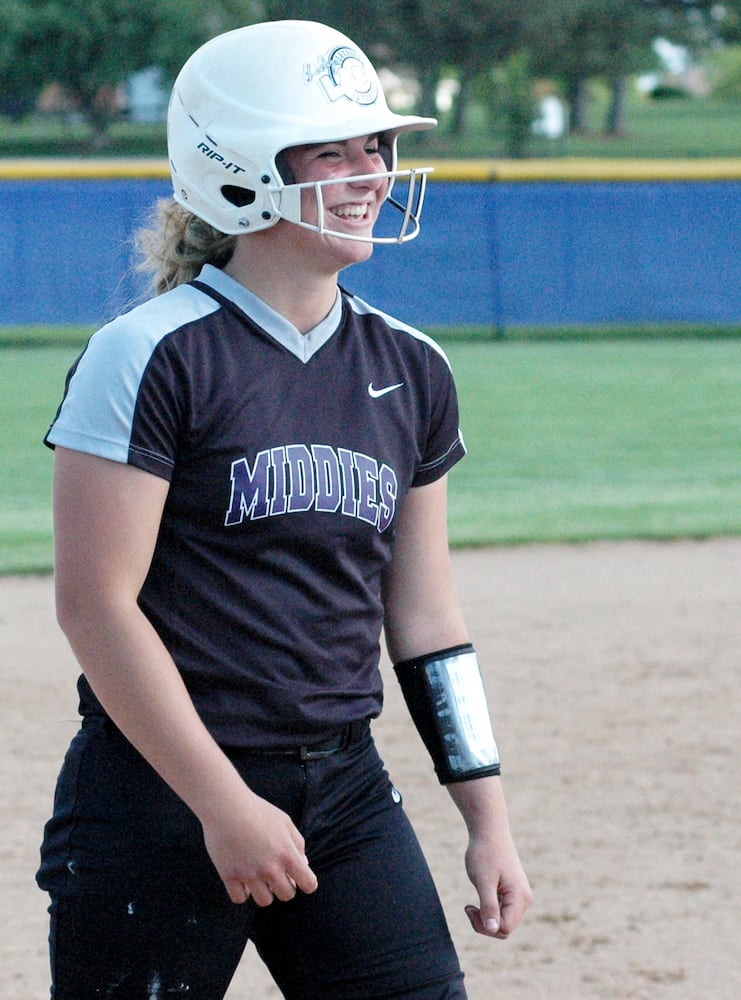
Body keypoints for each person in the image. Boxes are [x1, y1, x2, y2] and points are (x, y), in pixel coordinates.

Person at [37, 19, 532, 1000]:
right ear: (238, 171)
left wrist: (488, 817)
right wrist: (223, 803)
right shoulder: (151, 353)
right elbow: (96, 606)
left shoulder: (410, 366)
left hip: (344, 788)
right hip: (161, 793)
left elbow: (428, 621)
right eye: (334, 151)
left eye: (378, 147)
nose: (373, 173)